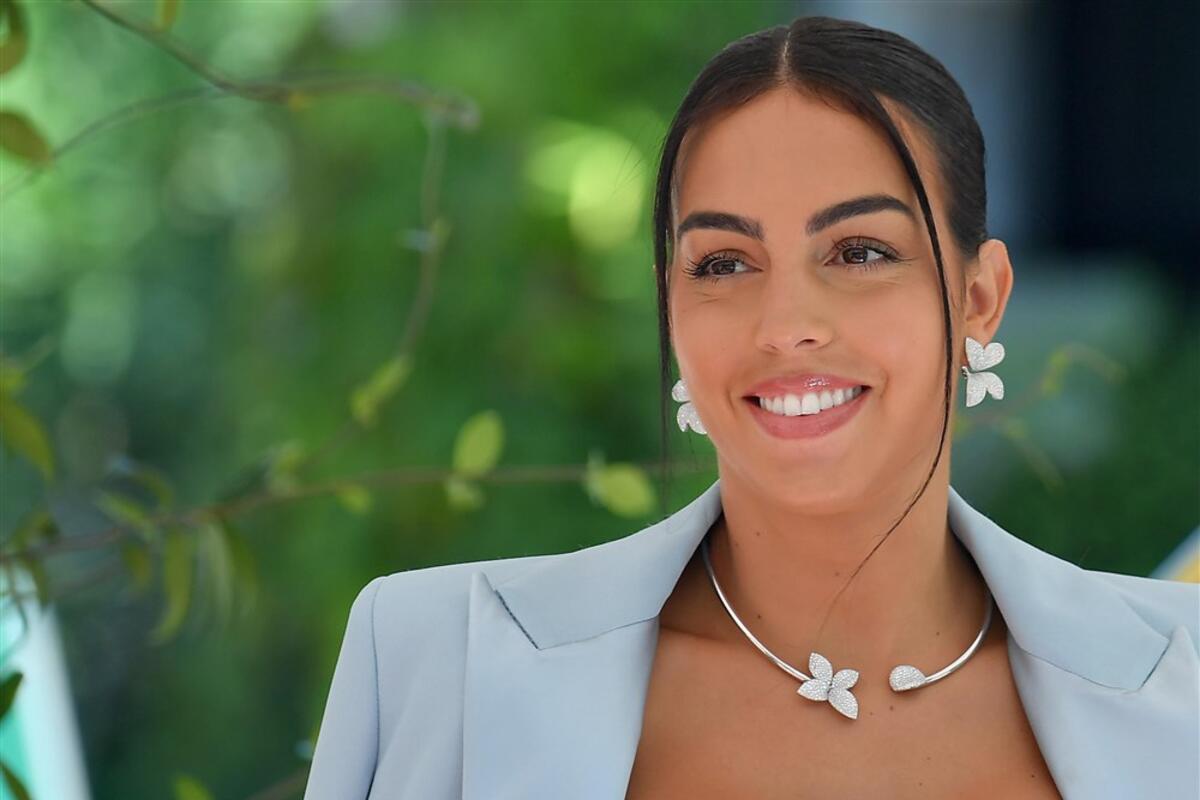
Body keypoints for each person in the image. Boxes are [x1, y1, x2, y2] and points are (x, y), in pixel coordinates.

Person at [303, 15, 1199, 800]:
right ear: (670, 305)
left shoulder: (1181, 678)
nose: (786, 327)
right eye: (724, 263)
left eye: (858, 251)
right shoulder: (441, 663)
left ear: (978, 299)